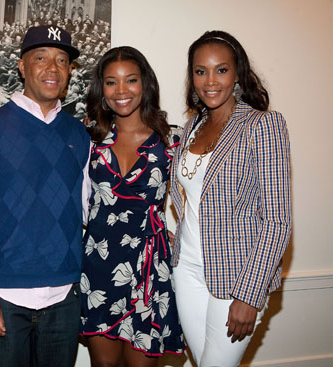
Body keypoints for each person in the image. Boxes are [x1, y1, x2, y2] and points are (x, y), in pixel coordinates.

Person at [0, 25, 90, 367]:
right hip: (3, 296)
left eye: (62, 60)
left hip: (64, 296)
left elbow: (86, 210)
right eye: (41, 58)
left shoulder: (80, 134)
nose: (52, 68)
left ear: (70, 70)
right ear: (22, 66)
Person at [169, 30, 292, 367]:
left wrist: (250, 295)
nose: (210, 81)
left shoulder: (263, 125)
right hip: (188, 271)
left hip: (237, 275)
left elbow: (277, 220)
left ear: (237, 72)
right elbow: (194, 202)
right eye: (200, 71)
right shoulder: (192, 126)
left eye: (221, 70)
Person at [79, 46, 185, 366]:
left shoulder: (173, 140)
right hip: (98, 265)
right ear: (102, 89)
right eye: (111, 82)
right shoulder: (90, 137)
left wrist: (179, 237)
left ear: (146, 84)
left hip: (149, 269)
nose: (121, 90)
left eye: (131, 80)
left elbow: (203, 201)